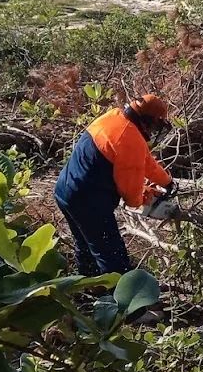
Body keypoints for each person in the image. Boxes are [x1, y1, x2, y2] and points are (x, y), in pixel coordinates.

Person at [54, 94, 174, 275]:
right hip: (88, 202)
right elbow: (132, 198)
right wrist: (145, 195)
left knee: (85, 246)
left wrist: (166, 181)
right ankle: (120, 301)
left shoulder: (114, 117)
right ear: (147, 120)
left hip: (64, 189)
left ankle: (88, 288)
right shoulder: (130, 140)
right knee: (113, 258)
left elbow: (145, 160)